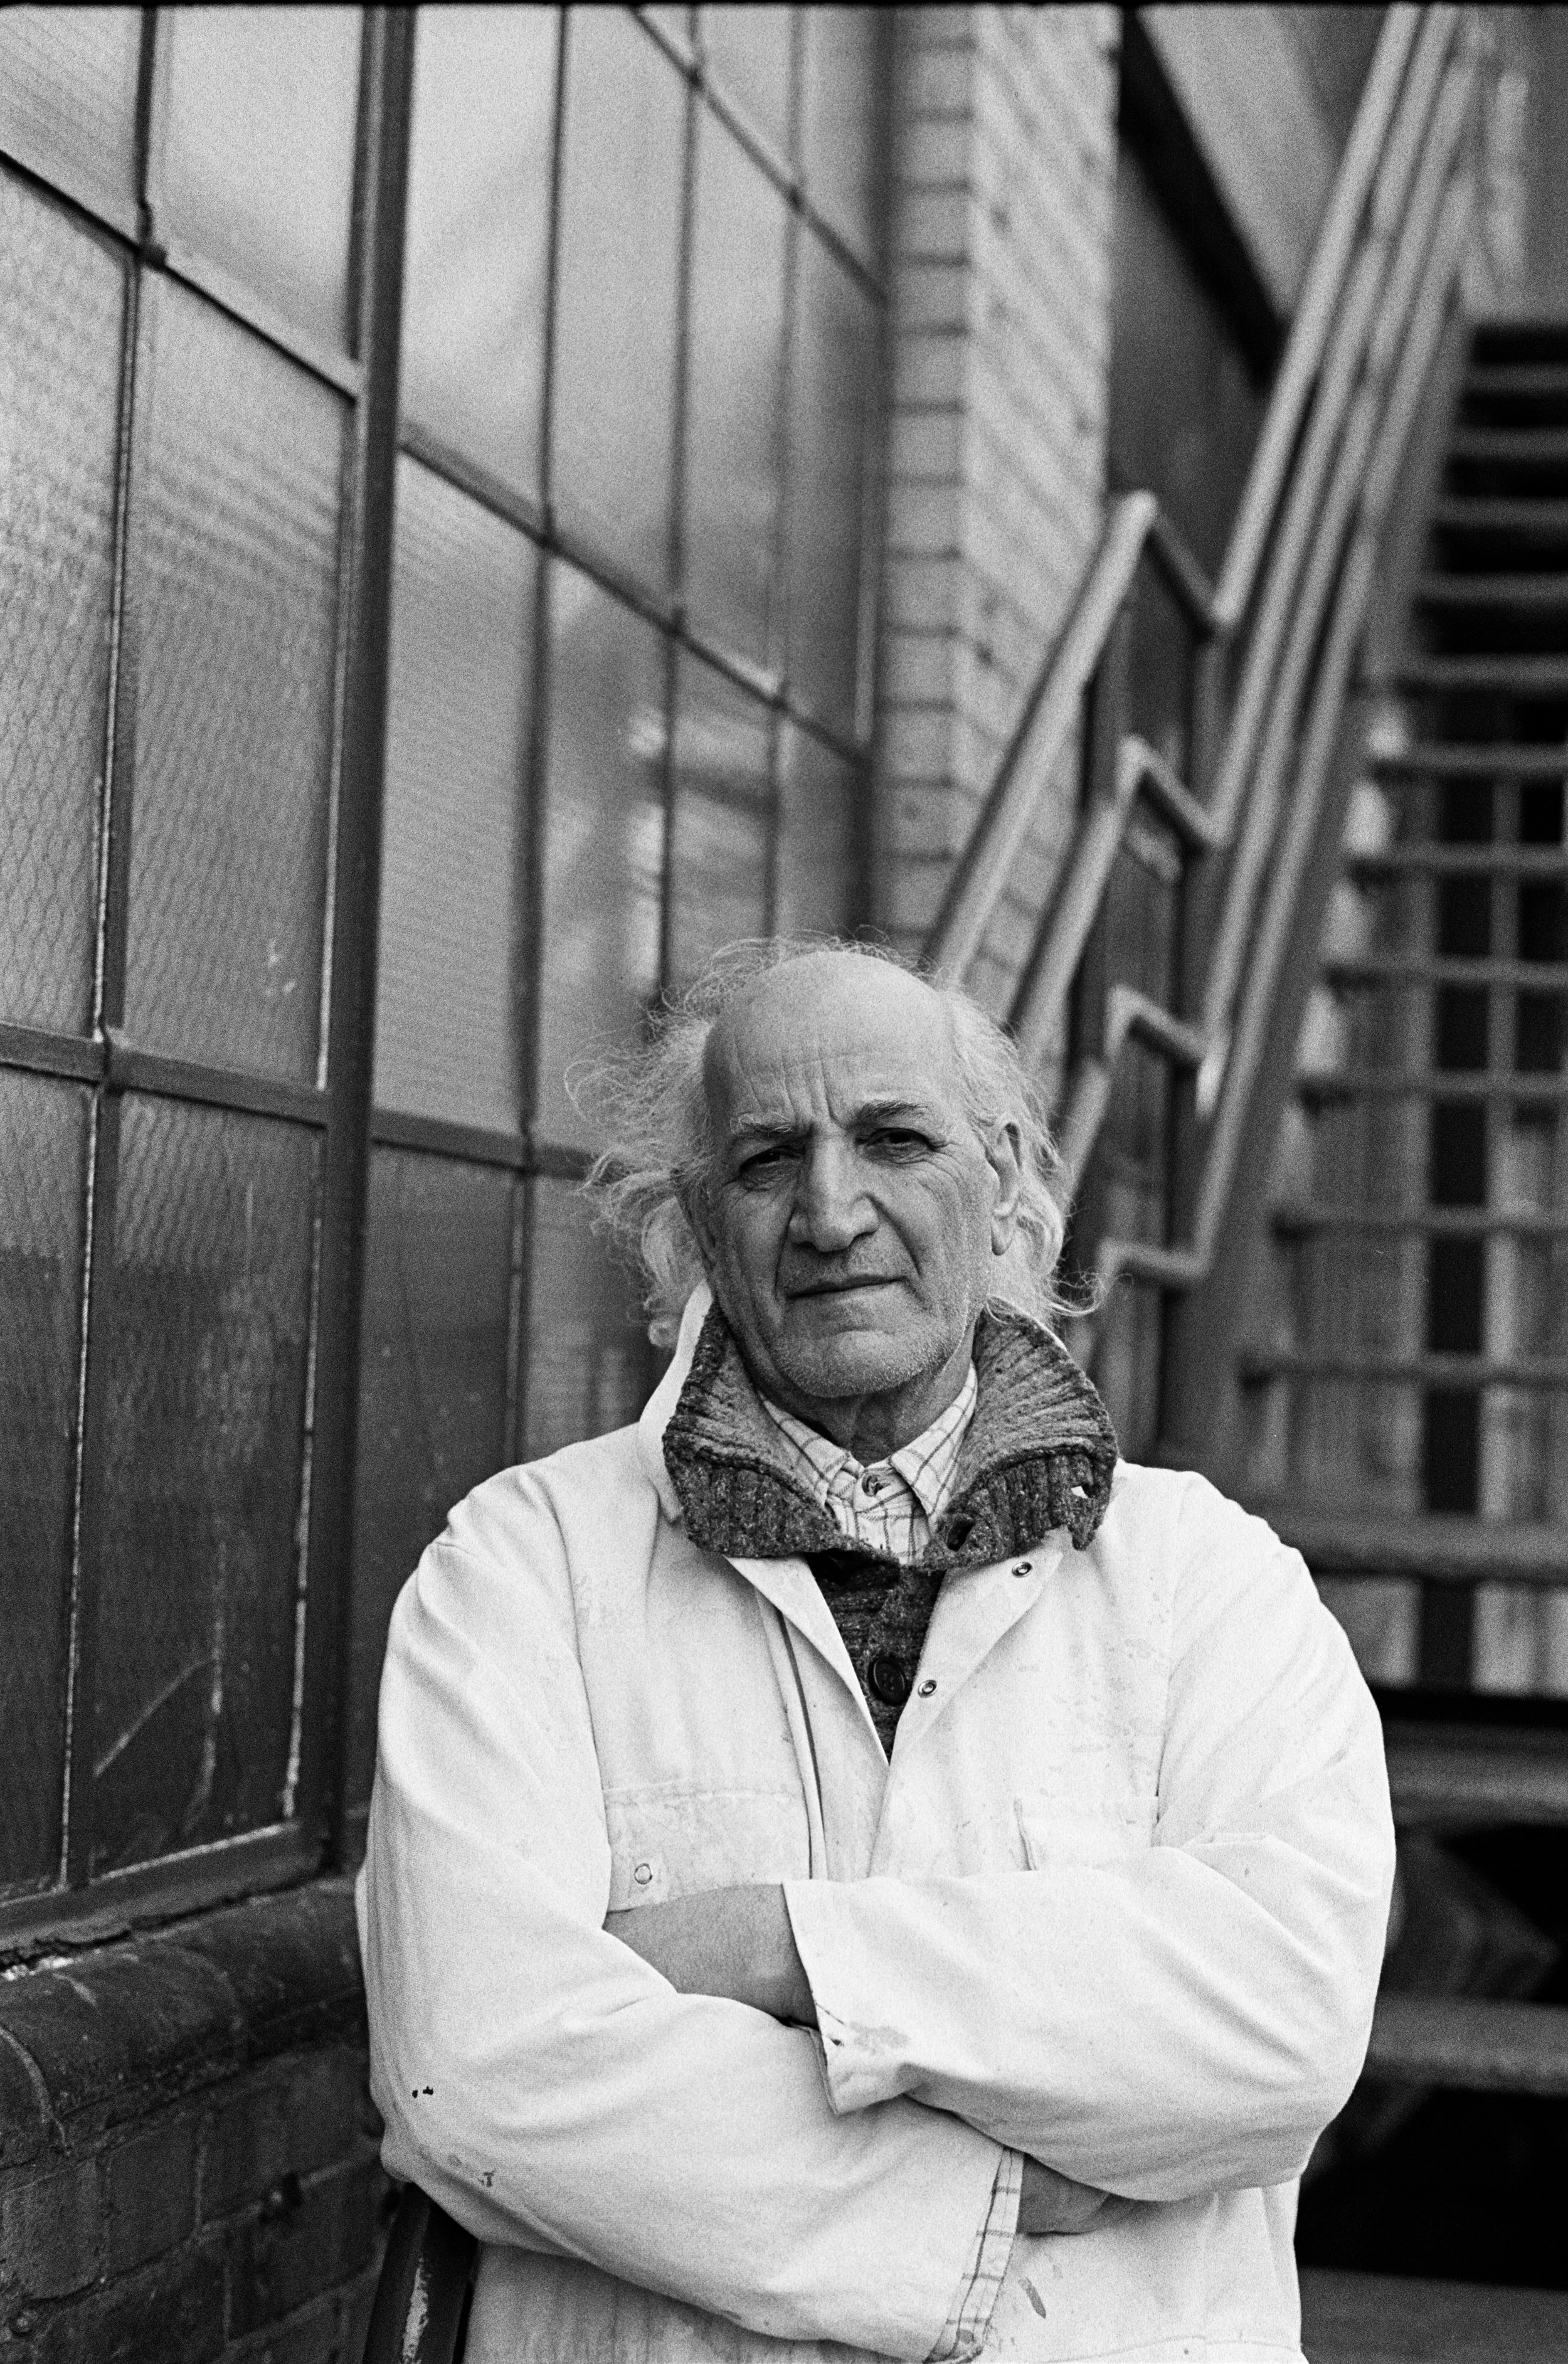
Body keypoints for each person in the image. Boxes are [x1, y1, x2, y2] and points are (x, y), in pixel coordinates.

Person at [358, 939, 1394, 2364]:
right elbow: (470, 2074)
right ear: (695, 1222)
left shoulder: (1207, 1580)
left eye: (893, 1139)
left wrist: (781, 1947)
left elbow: (1278, 2032)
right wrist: (987, 2189)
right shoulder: (519, 1569)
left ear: (1008, 1173)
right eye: (768, 1159)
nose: (831, 1211)